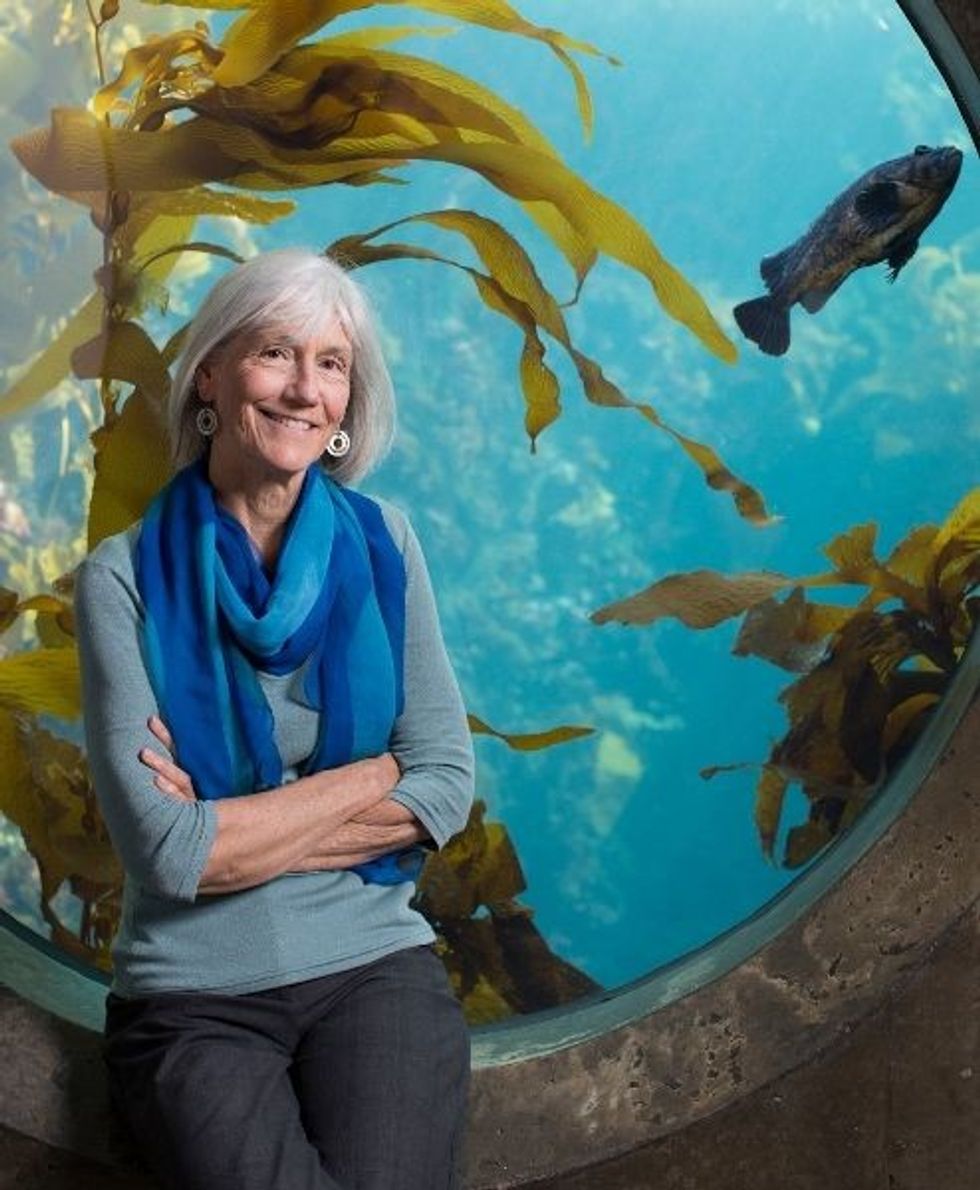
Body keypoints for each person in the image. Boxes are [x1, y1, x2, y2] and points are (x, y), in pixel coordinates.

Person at [74, 248, 475, 1190]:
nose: (304, 390)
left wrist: (235, 830)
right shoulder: (119, 580)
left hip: (376, 971)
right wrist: (379, 775)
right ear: (210, 374)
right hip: (192, 1001)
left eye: (331, 364)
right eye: (276, 354)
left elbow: (448, 784)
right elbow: (171, 856)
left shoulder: (387, 545)